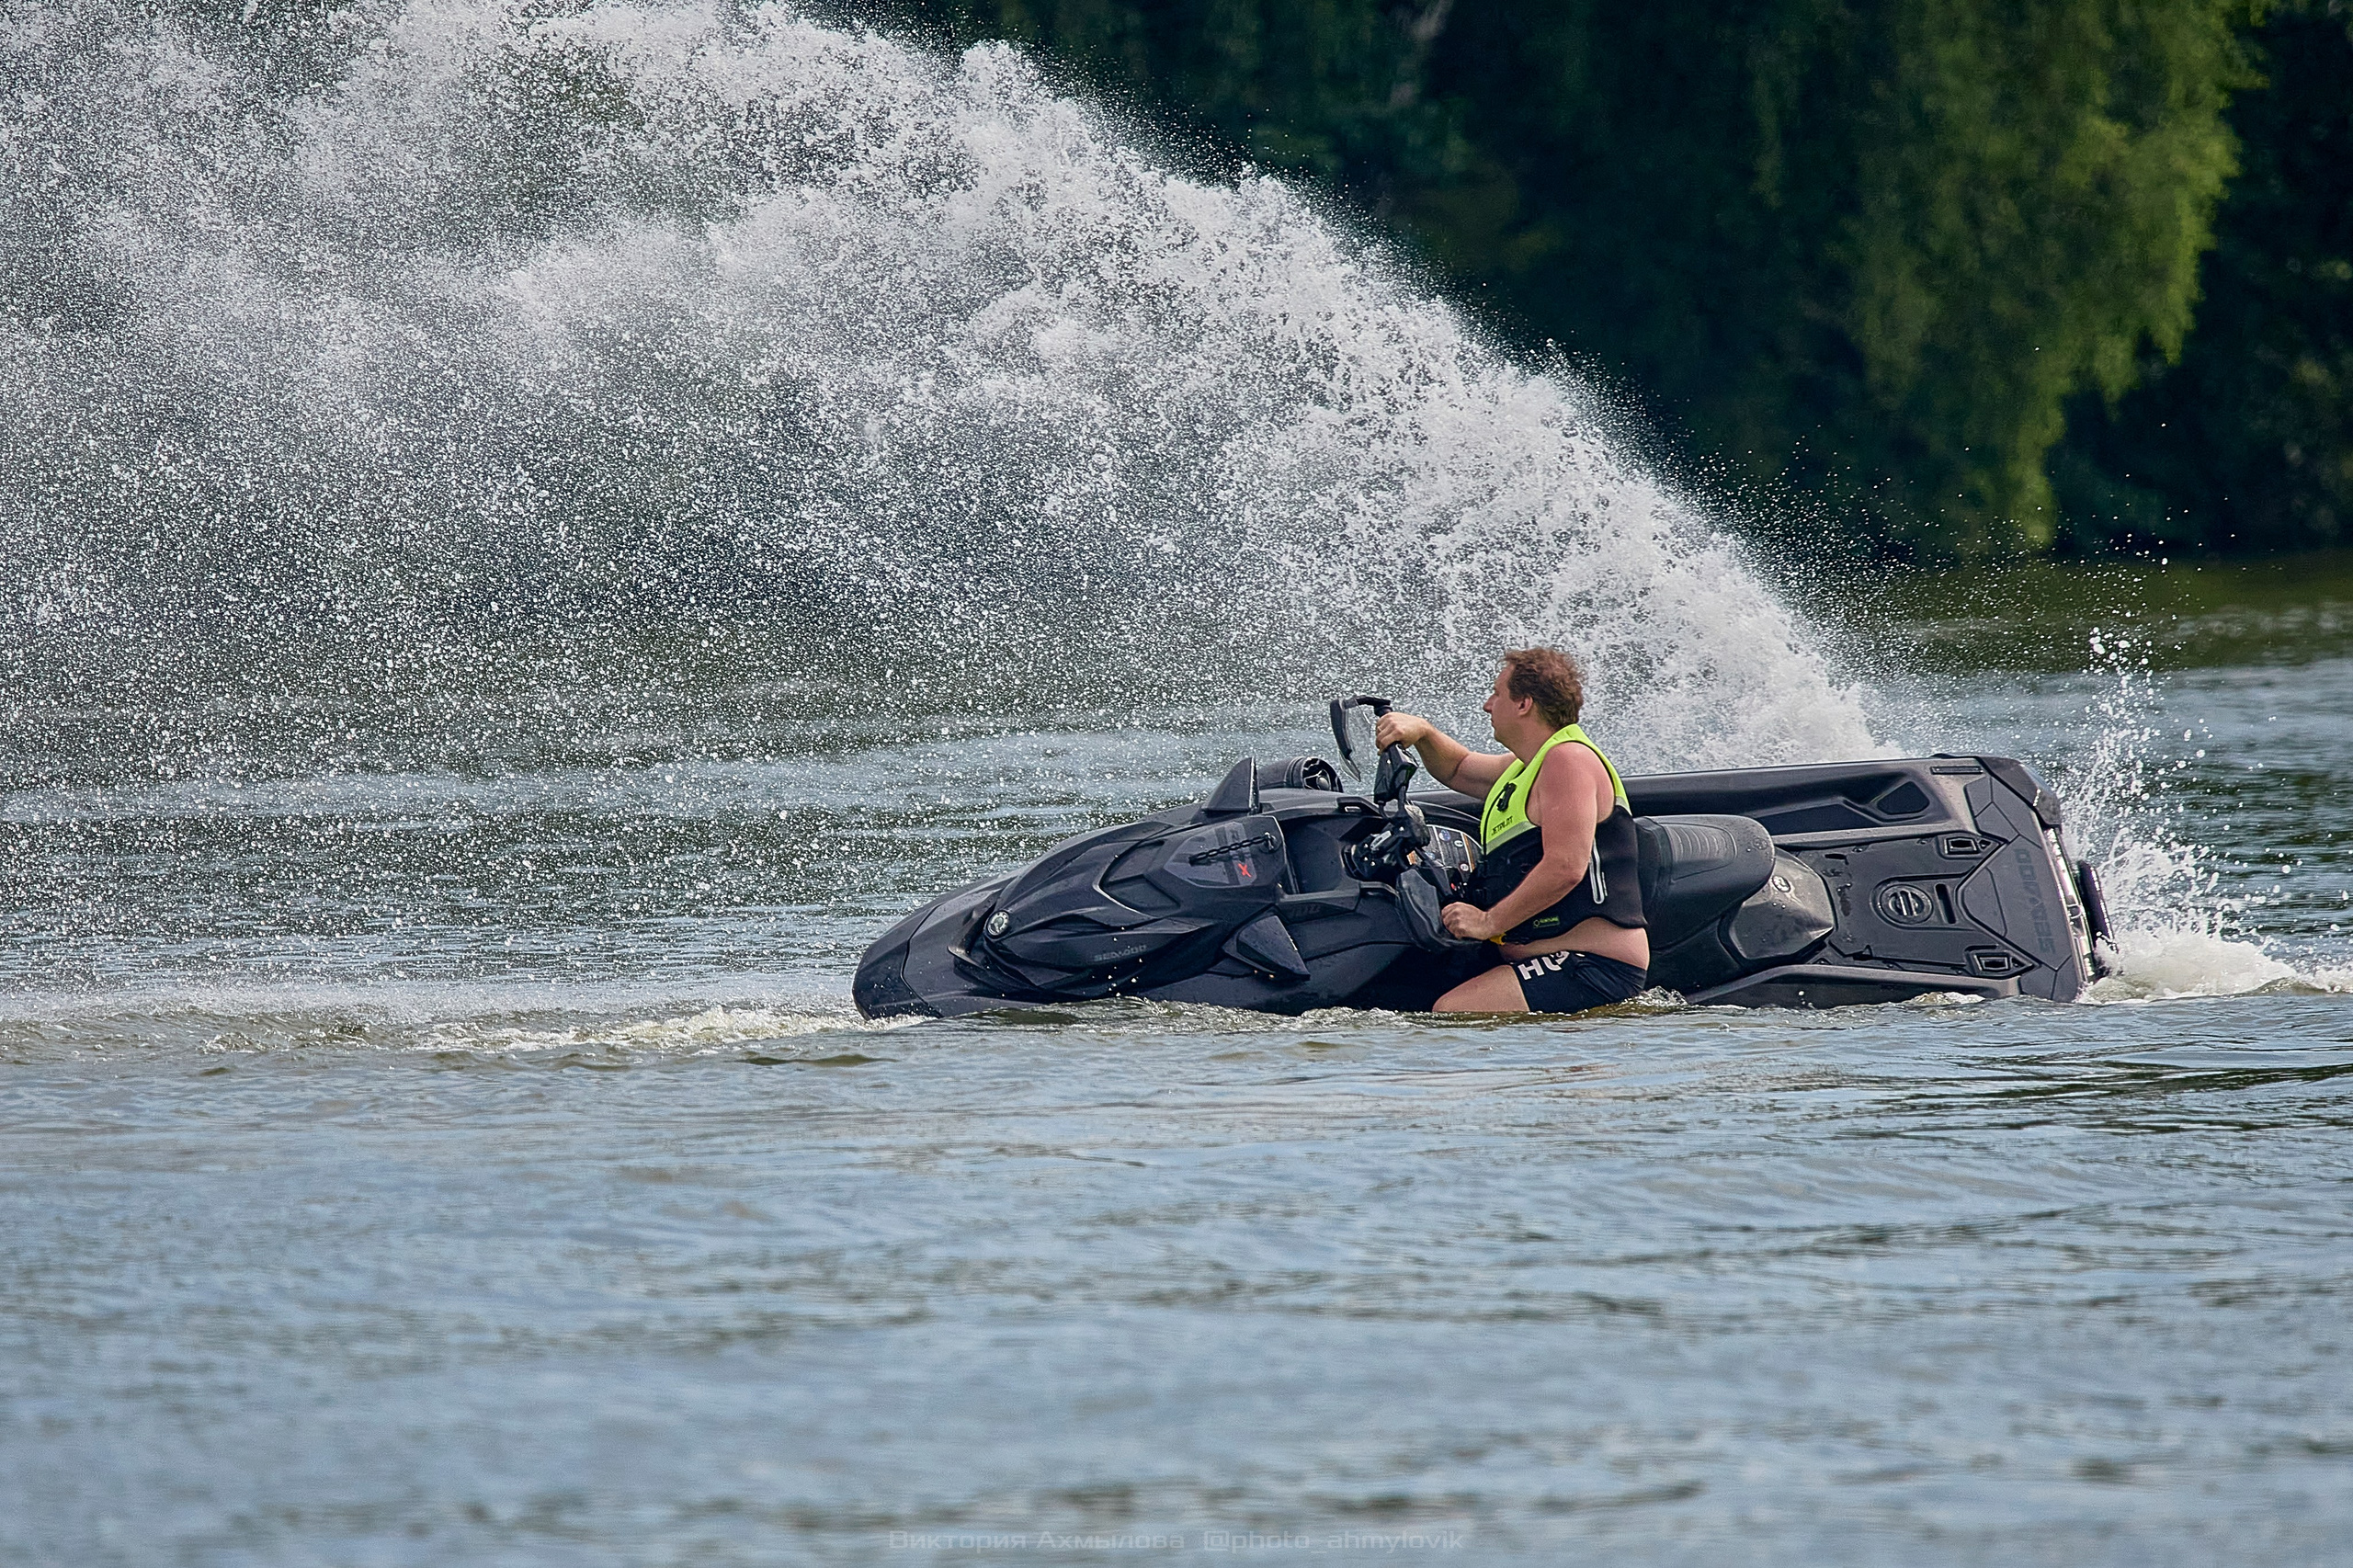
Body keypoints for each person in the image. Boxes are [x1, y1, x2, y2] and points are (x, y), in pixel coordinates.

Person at [1373, 648, 1649, 1015]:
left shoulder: (1568, 760)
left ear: (1524, 704)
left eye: (1497, 693)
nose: (1488, 705)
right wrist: (1422, 732)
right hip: (1539, 956)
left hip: (1594, 964)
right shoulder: (1528, 767)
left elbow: (1566, 867)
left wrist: (1488, 922)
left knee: (1453, 1011)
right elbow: (1458, 769)